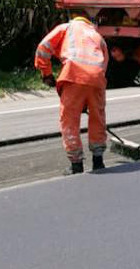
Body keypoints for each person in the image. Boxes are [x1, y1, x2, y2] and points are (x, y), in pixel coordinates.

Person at [35, 13, 109, 175]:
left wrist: (46, 73)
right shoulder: (97, 36)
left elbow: (43, 48)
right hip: (97, 79)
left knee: (69, 119)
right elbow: (104, 63)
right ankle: (98, 161)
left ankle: (76, 164)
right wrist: (87, 96)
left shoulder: (67, 28)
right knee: (97, 117)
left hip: (74, 75)